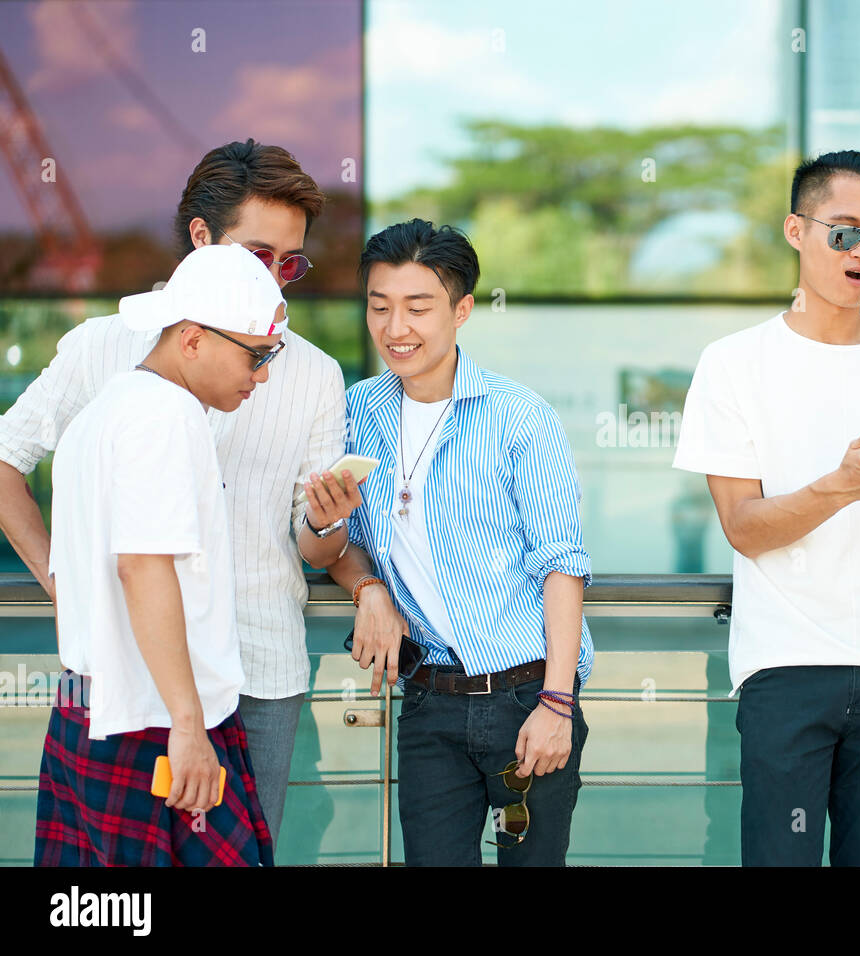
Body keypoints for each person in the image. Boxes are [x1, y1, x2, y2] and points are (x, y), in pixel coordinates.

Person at [0, 140, 358, 851]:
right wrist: (63, 581)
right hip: (131, 681)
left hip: (254, 671)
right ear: (202, 239)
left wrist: (327, 524)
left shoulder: (313, 374)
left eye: (293, 263)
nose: (279, 282)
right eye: (261, 258)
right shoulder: (107, 354)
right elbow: (131, 553)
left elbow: (314, 546)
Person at [673, 150, 860, 866]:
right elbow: (744, 531)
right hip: (785, 665)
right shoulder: (734, 362)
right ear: (795, 230)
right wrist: (841, 485)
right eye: (843, 232)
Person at [326, 219, 593, 866]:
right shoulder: (354, 411)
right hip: (428, 702)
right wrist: (366, 591)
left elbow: (562, 563)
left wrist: (558, 701)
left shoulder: (519, 417)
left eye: (418, 308)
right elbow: (339, 537)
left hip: (528, 695)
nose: (396, 328)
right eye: (379, 306)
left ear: (462, 310)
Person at [35, 244, 285, 865]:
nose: (263, 374)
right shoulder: (165, 417)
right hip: (151, 718)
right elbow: (141, 566)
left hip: (93, 706)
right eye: (256, 354)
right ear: (193, 339)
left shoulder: (103, 413)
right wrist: (188, 724)